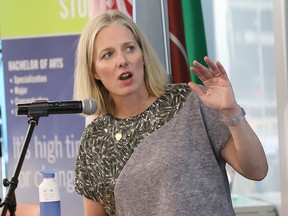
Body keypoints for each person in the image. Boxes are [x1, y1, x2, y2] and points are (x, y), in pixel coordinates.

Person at [73, 10, 268, 216]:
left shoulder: (190, 101)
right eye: (108, 54)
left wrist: (232, 112)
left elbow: (257, 170)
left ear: (143, 55)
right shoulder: (95, 139)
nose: (122, 60)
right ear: (94, 70)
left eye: (130, 48)